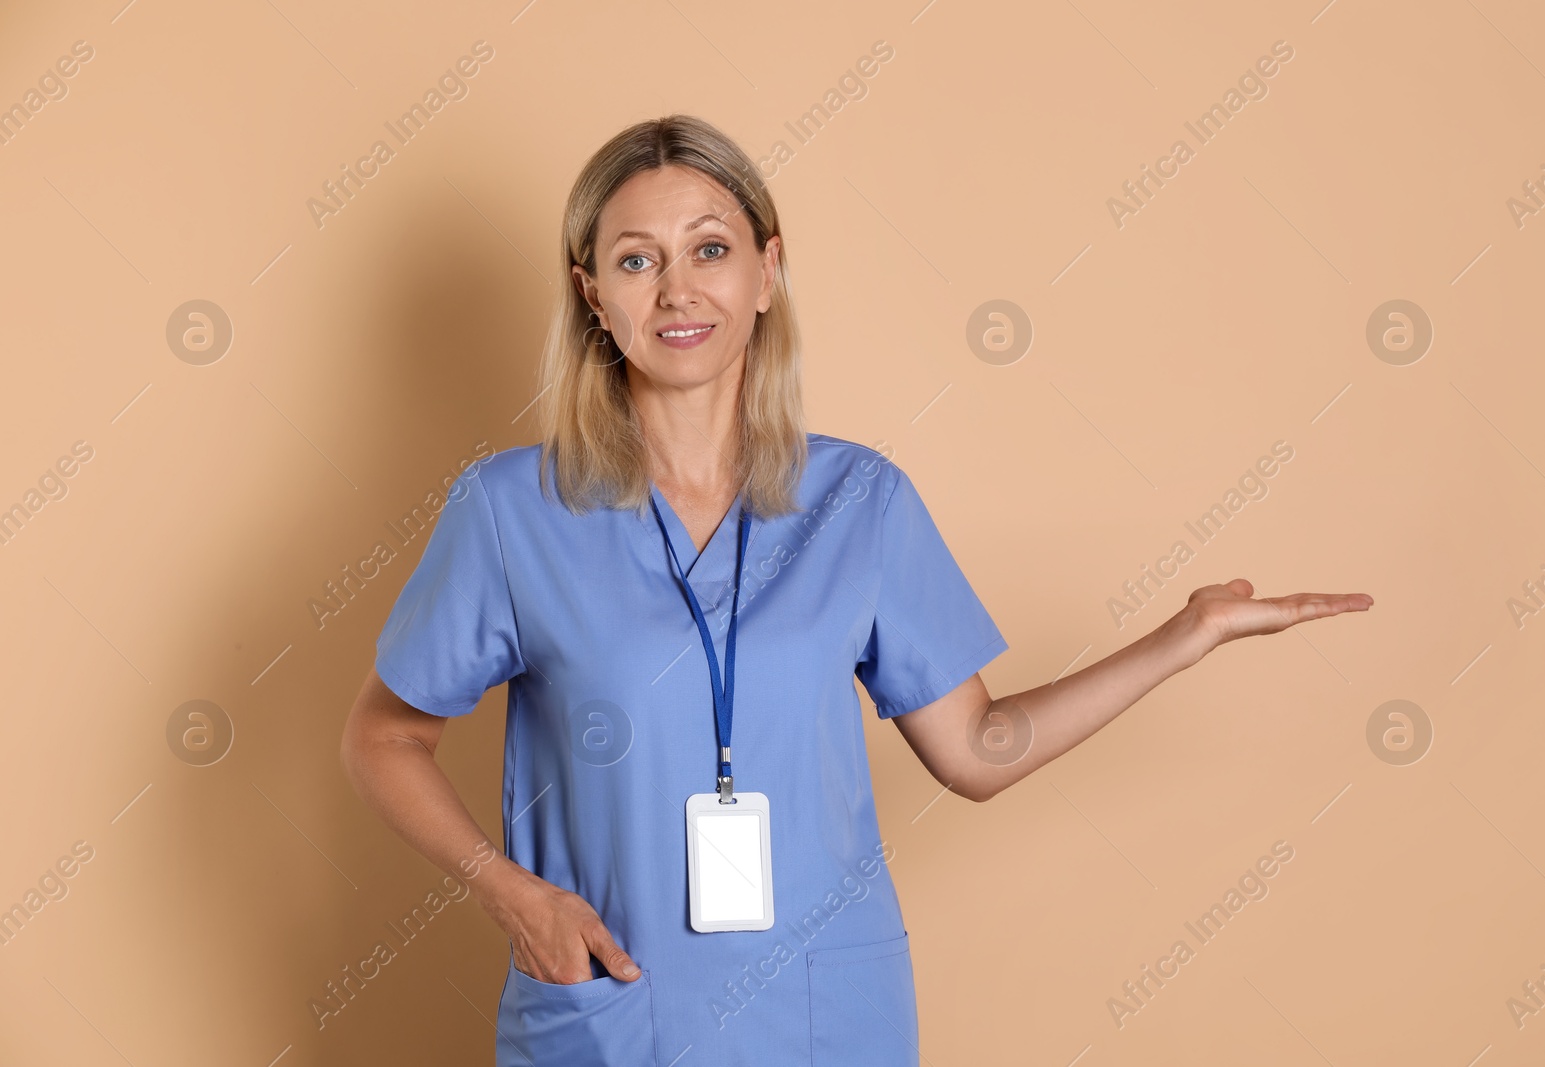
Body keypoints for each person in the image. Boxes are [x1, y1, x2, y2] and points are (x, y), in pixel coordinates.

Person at [340, 114, 1373, 1066]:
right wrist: (511, 894)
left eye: (710, 248)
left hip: (826, 1015)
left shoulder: (860, 499)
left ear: (766, 272)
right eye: (635, 260)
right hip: (615, 1012)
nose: (677, 289)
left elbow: (976, 750)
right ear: (592, 294)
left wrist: (1180, 636)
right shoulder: (511, 511)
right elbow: (383, 736)